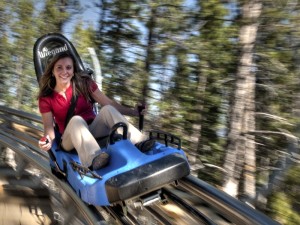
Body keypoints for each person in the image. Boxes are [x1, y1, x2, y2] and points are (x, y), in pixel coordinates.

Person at [37, 52, 154, 170]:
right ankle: (93, 158)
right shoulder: (46, 98)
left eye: (68, 67)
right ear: (52, 71)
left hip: (93, 129)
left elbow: (110, 104)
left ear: (73, 70)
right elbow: (48, 128)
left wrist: (134, 112)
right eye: (59, 68)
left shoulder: (84, 83)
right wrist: (47, 140)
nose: (64, 71)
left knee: (108, 109)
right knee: (77, 120)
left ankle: (139, 141)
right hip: (70, 139)